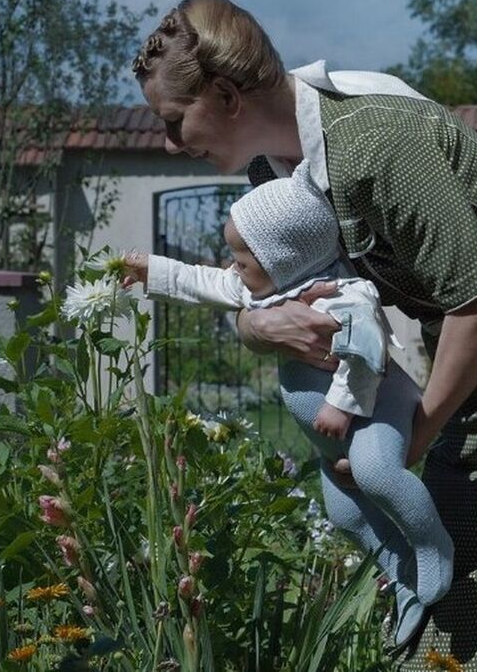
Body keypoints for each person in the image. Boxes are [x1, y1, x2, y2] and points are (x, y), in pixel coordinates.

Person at [131, 0, 477, 670]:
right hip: (470, 376)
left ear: (227, 94)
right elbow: (259, 297)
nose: (172, 143)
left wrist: (411, 439)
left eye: (176, 121)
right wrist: (260, 327)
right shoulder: (275, 172)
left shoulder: (375, 143)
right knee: (445, 620)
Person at [122, 166, 452, 646]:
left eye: (241, 258)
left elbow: (368, 351)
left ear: (282, 257)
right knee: (345, 515)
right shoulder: (267, 288)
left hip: (374, 410)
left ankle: (432, 547)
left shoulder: (345, 294)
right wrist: (149, 270)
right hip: (330, 439)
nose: (232, 267)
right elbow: (204, 281)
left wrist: (340, 405)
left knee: (378, 473)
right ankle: (400, 573)